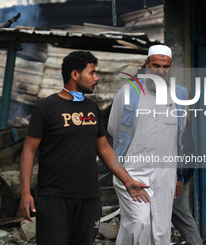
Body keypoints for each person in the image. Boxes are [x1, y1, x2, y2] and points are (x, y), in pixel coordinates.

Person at [19, 51, 150, 245]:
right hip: (55, 197)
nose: (96, 78)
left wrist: (128, 181)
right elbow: (28, 152)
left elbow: (104, 148)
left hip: (89, 198)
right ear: (75, 75)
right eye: (92, 73)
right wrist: (25, 193)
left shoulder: (91, 108)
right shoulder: (46, 107)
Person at [108, 44, 193, 244]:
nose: (160, 71)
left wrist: (180, 175)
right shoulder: (129, 91)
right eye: (156, 65)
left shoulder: (180, 95)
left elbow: (182, 138)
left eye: (166, 66)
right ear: (146, 65)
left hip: (166, 174)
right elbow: (113, 128)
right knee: (138, 223)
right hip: (132, 171)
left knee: (161, 230)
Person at [172, 118, 204, 245]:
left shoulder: (177, 116)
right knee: (184, 220)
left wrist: (179, 176)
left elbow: (184, 147)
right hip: (176, 178)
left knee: (157, 223)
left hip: (173, 179)